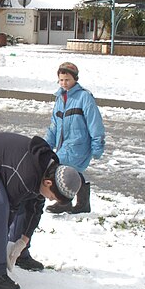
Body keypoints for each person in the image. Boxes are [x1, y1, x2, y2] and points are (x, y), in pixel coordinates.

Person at [0, 133, 81, 289]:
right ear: (48, 183)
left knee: (29, 200)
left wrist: (23, 241)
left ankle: (19, 256)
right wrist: (1, 252)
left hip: (7, 163)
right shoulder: (27, 176)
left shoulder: (49, 172)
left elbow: (36, 209)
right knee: (0, 205)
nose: (49, 199)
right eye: (52, 197)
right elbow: (8, 213)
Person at [44, 62, 105, 214]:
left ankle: (64, 201)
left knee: (61, 169)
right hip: (63, 144)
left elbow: (94, 123)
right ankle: (83, 204)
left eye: (68, 80)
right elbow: (54, 124)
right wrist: (46, 145)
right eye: (61, 80)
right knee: (73, 171)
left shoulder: (84, 97)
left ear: (75, 79)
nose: (64, 83)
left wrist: (97, 146)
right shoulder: (60, 98)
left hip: (79, 144)